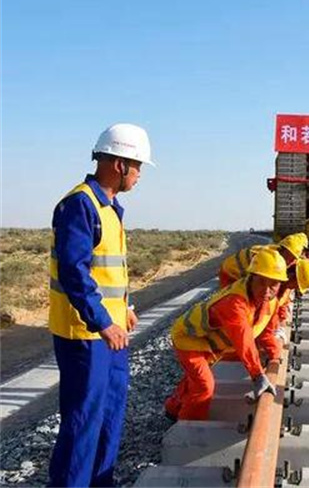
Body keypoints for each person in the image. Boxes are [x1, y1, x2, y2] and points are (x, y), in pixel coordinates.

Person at [48, 123, 154, 487]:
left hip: (111, 334)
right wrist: (101, 321)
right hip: (85, 336)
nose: (140, 175)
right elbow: (74, 271)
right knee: (82, 424)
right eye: (138, 166)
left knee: (109, 416)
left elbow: (107, 271)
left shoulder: (111, 209)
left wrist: (123, 310)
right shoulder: (81, 204)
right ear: (119, 164)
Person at [165, 248, 287, 421]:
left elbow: (265, 330)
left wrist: (276, 356)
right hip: (189, 339)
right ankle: (187, 427)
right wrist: (258, 375)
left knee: (196, 376)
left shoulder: (268, 301)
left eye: (273, 284)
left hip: (209, 341)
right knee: (204, 386)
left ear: (280, 284)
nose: (267, 290)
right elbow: (242, 338)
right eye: (261, 282)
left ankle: (172, 408)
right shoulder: (235, 302)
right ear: (250, 278)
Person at [257, 259, 309, 360]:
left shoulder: (284, 284)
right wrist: (274, 349)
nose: (295, 288)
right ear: (292, 277)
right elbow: (265, 320)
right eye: (297, 285)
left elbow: (282, 302)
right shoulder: (270, 287)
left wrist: (282, 319)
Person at [218, 233, 305, 287]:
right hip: (230, 272)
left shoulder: (278, 254)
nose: (290, 261)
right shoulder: (266, 257)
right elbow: (255, 284)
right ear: (283, 249)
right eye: (289, 257)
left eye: (293, 259)